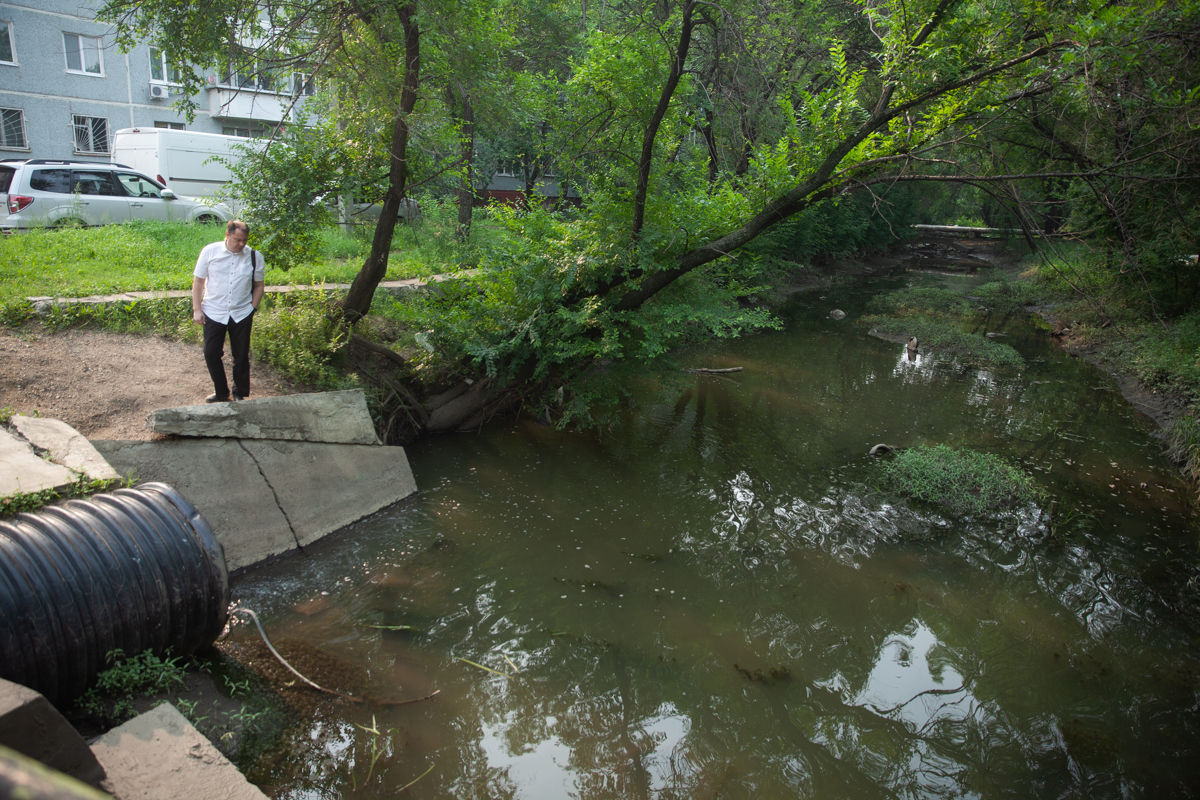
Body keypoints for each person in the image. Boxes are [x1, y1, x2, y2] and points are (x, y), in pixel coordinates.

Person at [191, 220, 266, 402]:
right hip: (214, 311)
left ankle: (239, 392)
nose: (241, 244)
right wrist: (197, 309)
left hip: (241, 313)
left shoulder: (255, 257)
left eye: (245, 240)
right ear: (227, 234)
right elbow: (198, 281)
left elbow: (259, 286)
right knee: (211, 352)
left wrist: (252, 308)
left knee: (240, 355)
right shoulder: (210, 251)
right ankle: (221, 391)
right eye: (237, 240)